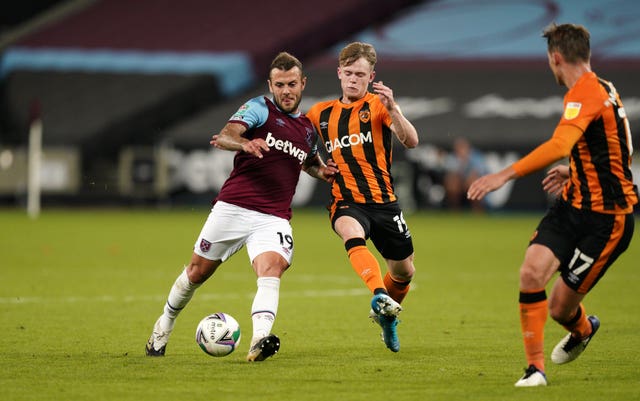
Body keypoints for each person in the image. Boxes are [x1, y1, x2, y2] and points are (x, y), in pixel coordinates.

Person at [467, 23, 637, 386]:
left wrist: (504, 175)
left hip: (607, 221)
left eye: (549, 60)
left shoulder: (586, 93)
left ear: (555, 57)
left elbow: (560, 144)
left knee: (561, 308)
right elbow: (621, 149)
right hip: (572, 205)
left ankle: (582, 328)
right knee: (531, 272)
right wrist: (576, 172)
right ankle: (535, 370)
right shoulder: (603, 89)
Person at [145, 52, 338, 362]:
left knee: (271, 268)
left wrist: (323, 172)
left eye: (291, 84)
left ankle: (260, 339)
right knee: (196, 273)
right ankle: (163, 326)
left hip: (273, 217)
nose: (286, 91)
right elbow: (225, 136)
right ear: (270, 85)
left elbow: (309, 162)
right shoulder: (260, 108)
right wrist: (245, 143)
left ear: (303, 83)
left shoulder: (306, 127)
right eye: (279, 84)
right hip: (233, 207)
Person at [306, 42, 419, 352]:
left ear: (371, 77)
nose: (353, 79)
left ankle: (387, 318)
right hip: (346, 200)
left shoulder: (380, 106)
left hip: (384, 202)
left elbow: (411, 141)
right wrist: (318, 170)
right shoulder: (320, 113)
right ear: (339, 73)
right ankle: (378, 294)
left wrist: (394, 108)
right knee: (350, 232)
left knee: (405, 271)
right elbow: (299, 149)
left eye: (360, 74)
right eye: (349, 73)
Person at [443, 137, 487, 211]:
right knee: (452, 183)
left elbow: (480, 171)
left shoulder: (476, 157)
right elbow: (451, 174)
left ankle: (477, 209)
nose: (460, 150)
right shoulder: (452, 158)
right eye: (458, 148)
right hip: (459, 183)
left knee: (474, 182)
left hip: (471, 182)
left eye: (462, 147)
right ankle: (454, 210)